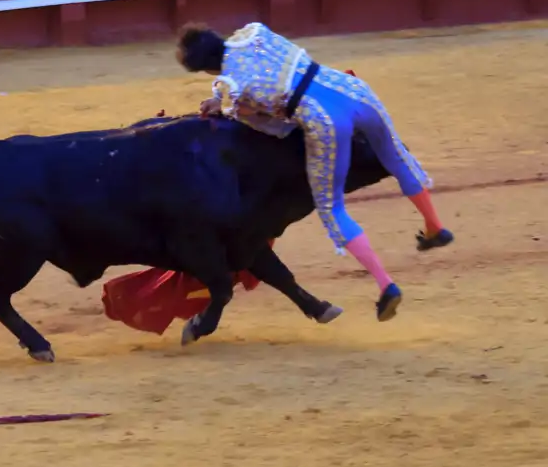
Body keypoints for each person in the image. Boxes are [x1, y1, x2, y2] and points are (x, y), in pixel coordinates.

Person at [174, 21, 454, 321]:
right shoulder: (254, 32)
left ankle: (386, 284)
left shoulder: (241, 93)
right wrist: (222, 94)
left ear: (206, 69)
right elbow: (245, 68)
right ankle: (435, 226)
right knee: (396, 158)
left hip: (323, 120)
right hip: (350, 89)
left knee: (332, 207)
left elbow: (278, 128)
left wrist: (226, 107)